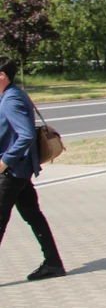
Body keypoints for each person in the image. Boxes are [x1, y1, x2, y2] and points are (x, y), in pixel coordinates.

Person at [0, 57, 65, 281]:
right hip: (19, 172)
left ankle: (53, 263)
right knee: (33, 216)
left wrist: (5, 160)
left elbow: (26, 134)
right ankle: (54, 264)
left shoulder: (11, 99)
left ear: (2, 76)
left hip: (11, 172)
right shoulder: (12, 94)